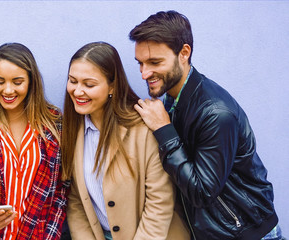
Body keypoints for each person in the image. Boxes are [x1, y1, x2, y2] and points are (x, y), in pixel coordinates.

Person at [130, 10, 282, 240]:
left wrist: (164, 131)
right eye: (140, 63)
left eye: (154, 62)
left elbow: (202, 192)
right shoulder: (172, 98)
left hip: (247, 234)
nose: (144, 73)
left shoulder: (216, 113)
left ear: (184, 53)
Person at [62, 42, 189, 240]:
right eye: (72, 81)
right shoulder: (71, 131)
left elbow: (160, 202)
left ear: (112, 85)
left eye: (89, 84)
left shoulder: (143, 128)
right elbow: (76, 202)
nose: (78, 92)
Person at [0, 43, 69, 239]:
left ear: (31, 81)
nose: (8, 90)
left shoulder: (54, 124)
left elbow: (60, 193)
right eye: (0, 81)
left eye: (17, 82)